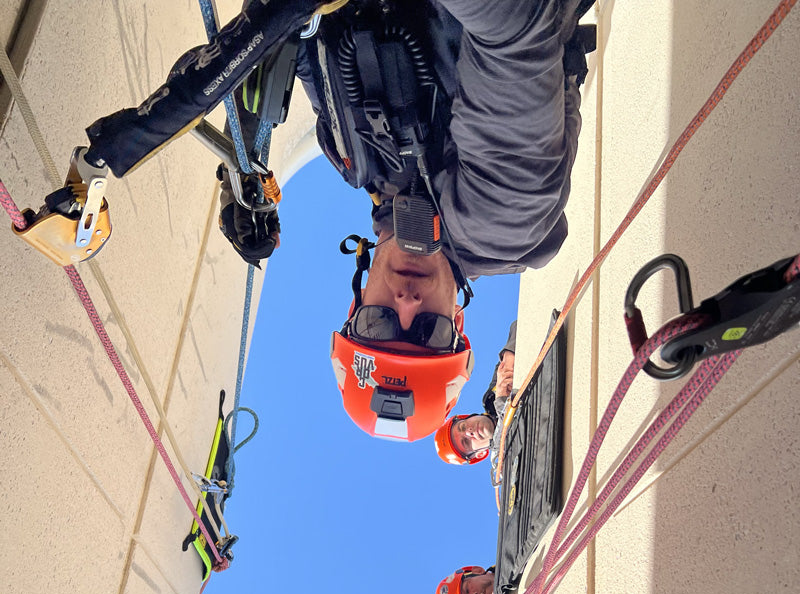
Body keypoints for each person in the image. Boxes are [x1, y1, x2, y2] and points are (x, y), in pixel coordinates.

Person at [75, 1, 594, 441]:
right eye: (428, 333)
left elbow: (299, 43)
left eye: (379, 324)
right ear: (457, 325)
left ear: (356, 304)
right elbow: (514, 32)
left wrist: (247, 163)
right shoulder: (503, 223)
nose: (408, 306)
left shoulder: (361, 167)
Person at [434, 321, 517, 479]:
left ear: (469, 416)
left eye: (463, 427)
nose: (469, 432)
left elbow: (518, 327)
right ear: (479, 454)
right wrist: (502, 400)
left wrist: (509, 359)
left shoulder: (491, 396)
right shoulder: (505, 463)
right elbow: (508, 436)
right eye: (466, 442)